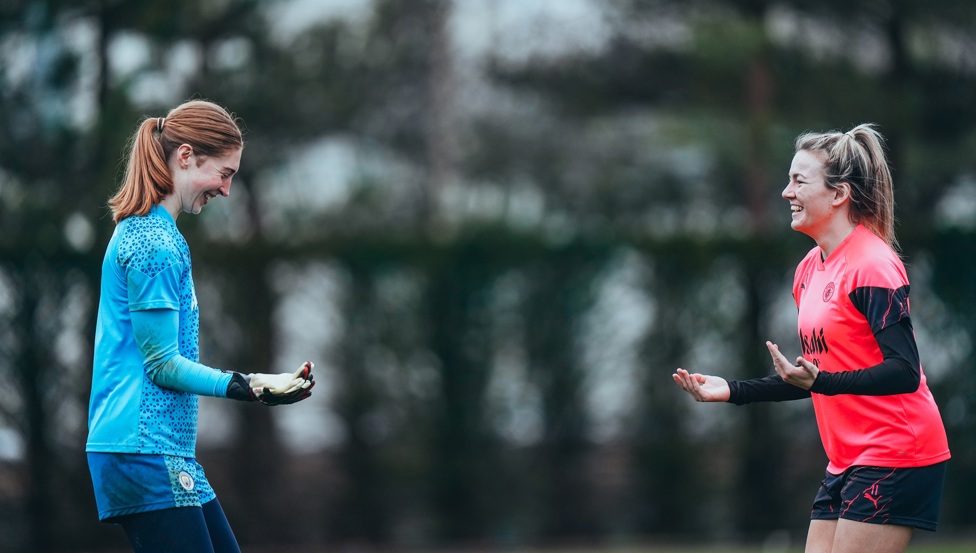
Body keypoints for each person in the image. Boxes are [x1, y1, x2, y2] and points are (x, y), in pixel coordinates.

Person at [672, 124, 950, 553]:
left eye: (799, 181)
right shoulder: (808, 269)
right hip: (846, 458)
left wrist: (822, 383)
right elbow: (818, 376)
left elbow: (905, 372)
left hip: (896, 450)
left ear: (839, 194)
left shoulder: (872, 265)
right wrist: (732, 391)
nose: (786, 192)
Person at [87, 99, 316, 553]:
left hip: (156, 448)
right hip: (142, 448)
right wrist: (246, 384)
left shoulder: (152, 233)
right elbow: (162, 365)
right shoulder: (154, 243)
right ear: (187, 156)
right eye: (225, 173)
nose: (227, 190)